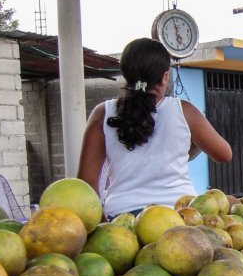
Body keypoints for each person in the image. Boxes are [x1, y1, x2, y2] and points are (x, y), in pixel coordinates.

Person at [78, 38, 232, 219]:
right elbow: (224, 154)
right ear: (165, 77)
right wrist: (193, 141)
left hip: (122, 219)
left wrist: (105, 226)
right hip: (179, 218)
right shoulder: (183, 111)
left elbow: (85, 186)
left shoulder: (103, 113)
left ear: (126, 74)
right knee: (231, 202)